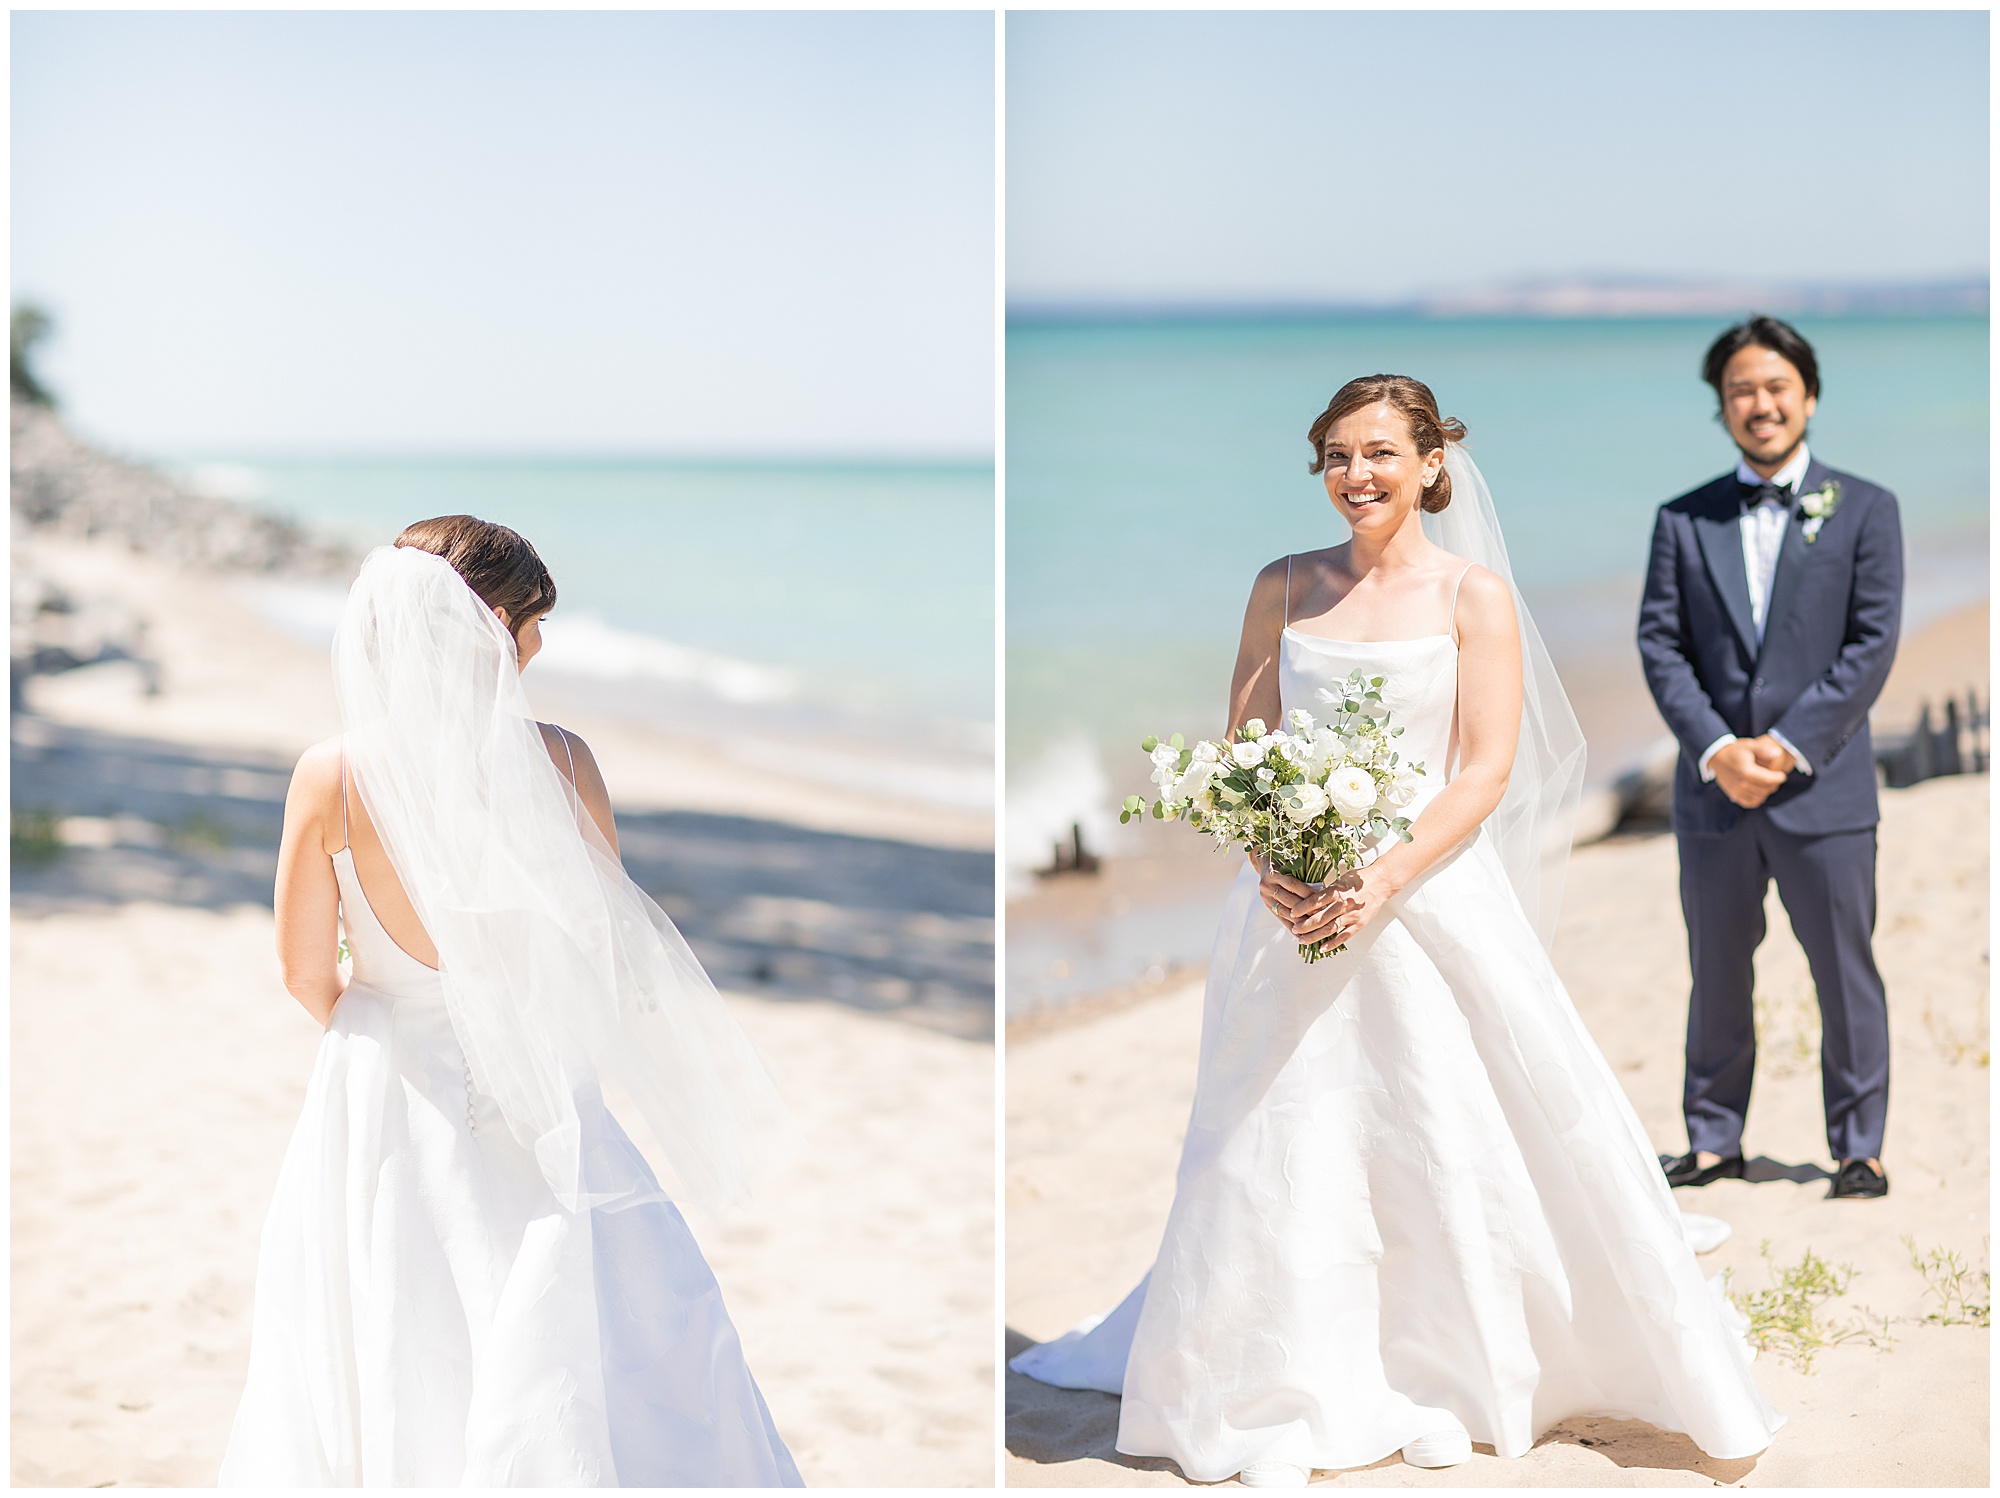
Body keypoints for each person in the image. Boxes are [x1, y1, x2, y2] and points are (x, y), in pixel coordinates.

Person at [1010, 376, 1782, 1486]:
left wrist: (1381, 878)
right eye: (1333, 454)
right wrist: (1274, 861)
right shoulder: (1279, 586)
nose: (1353, 475)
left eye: (1376, 452)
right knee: (1274, 1138)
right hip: (1287, 907)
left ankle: (1460, 1351)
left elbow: (1484, 769)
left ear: (1431, 463)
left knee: (1443, 1122)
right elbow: (1242, 749)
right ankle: (1272, 1357)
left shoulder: (1472, 596)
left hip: (1422, 895)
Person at [219, 517, 802, 1486]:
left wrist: (388, 1030)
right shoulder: (564, 762)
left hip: (383, 1088)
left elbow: (301, 968)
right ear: (492, 622)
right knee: (573, 1313)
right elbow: (605, 946)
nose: (539, 645)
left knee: (397, 1319)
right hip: (538, 1082)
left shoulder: (331, 776)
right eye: (534, 622)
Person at [1638, 317, 1901, 1202]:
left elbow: (1869, 647)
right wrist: (1718, 750)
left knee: (1843, 966)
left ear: (1809, 395)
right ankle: (1714, 1139)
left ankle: (1858, 1146)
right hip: (1713, 791)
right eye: (1743, 390)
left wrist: (1784, 749)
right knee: (1715, 966)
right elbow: (1661, 647)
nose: (1762, 403)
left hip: (1824, 787)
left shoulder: (1867, 508)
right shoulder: (1682, 518)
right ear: (1722, 406)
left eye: (1777, 386)